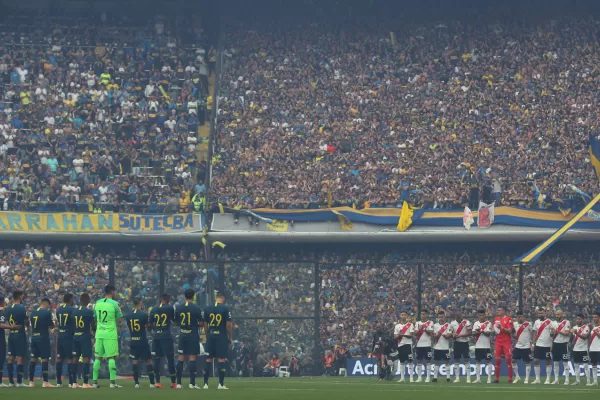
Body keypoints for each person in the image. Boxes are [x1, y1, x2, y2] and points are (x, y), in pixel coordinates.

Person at [93, 284, 124, 388]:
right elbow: (120, 320)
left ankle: (94, 383)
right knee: (111, 357)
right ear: (112, 292)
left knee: (98, 358)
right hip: (110, 334)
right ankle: (112, 383)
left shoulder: (97, 303)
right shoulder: (115, 304)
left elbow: (95, 318)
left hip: (99, 333)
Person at [203, 292, 232, 390]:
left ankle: (205, 384)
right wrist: (230, 337)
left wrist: (207, 335)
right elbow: (228, 325)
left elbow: (205, 324)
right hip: (221, 336)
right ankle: (221, 384)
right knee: (221, 359)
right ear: (223, 299)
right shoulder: (225, 308)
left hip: (211, 336)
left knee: (208, 359)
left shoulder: (207, 308)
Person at [174, 289, 203, 389]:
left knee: (181, 358)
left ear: (185, 296)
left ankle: (178, 383)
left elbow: (176, 322)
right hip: (192, 335)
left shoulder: (179, 307)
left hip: (183, 335)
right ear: (193, 296)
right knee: (192, 358)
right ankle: (192, 383)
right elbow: (201, 322)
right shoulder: (196, 308)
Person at [125, 298, 156, 388]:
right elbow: (149, 327)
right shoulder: (143, 314)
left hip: (133, 340)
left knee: (135, 361)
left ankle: (136, 383)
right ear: (140, 303)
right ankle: (152, 383)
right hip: (142, 340)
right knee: (148, 360)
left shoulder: (129, 315)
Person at [150, 293, 177, 388]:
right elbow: (174, 320)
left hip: (157, 336)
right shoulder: (170, 308)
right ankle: (173, 382)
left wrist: (155, 329)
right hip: (166, 336)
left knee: (156, 359)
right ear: (168, 299)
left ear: (160, 299)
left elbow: (150, 325)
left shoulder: (154, 309)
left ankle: (157, 382)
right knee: (170, 359)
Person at [28, 298, 55, 388]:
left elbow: (31, 326)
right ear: (46, 304)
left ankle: (31, 382)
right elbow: (51, 325)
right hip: (43, 338)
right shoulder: (46, 312)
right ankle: (45, 382)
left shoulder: (33, 313)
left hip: (34, 337)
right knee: (44, 359)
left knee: (33, 359)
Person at [72, 293, 95, 388]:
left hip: (75, 336)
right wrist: (93, 332)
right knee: (86, 358)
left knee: (75, 359)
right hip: (85, 336)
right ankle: (85, 382)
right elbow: (93, 326)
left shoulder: (74, 311)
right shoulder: (88, 312)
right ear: (87, 300)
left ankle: (74, 382)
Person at [6, 290, 28, 387]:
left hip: (11, 334)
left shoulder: (8, 308)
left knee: (10, 357)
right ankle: (19, 382)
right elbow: (26, 321)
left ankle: (11, 382)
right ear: (20, 297)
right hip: (19, 334)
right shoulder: (22, 308)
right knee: (20, 357)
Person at [55, 293, 76, 387]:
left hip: (60, 335)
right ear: (70, 299)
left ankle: (58, 381)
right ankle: (71, 382)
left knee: (60, 358)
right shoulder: (71, 309)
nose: (74, 300)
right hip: (68, 335)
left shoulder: (58, 309)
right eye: (73, 299)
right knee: (70, 358)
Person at [493, 306, 514, 383]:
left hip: (506, 342)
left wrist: (501, 328)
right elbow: (494, 330)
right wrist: (494, 329)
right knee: (497, 360)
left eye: (499, 310)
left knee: (508, 360)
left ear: (503, 311)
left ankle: (510, 379)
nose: (498, 311)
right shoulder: (496, 319)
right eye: (497, 310)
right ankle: (496, 379)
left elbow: (510, 331)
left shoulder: (508, 319)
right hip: (498, 342)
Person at [450, 310, 472, 383]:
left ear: (461, 314)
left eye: (460, 314)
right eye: (457, 314)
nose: (458, 316)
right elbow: (450, 333)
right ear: (455, 315)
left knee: (466, 359)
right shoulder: (452, 323)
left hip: (465, 343)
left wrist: (459, 335)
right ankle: (457, 378)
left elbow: (470, 333)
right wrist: (453, 335)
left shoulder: (467, 322)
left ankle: (468, 378)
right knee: (456, 360)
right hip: (457, 343)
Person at [532, 308, 553, 384]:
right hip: (538, 344)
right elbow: (534, 333)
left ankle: (548, 379)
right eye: (539, 313)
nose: (541, 314)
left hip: (547, 345)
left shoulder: (549, 322)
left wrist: (551, 344)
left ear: (545, 313)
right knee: (536, 360)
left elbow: (553, 333)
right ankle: (537, 379)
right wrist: (533, 343)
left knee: (547, 361)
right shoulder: (536, 322)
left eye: (542, 313)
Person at [551, 309, 571, 385]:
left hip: (563, 344)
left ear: (562, 315)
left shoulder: (566, 322)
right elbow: (552, 335)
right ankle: (556, 380)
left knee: (565, 362)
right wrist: (552, 333)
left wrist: (557, 331)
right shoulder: (553, 323)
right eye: (556, 314)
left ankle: (567, 380)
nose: (557, 316)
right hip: (555, 344)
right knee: (555, 362)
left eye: (558, 314)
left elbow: (567, 333)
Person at [393, 310, 414, 383]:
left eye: (404, 315)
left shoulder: (410, 325)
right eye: (402, 315)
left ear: (407, 316)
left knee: (410, 361)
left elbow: (411, 335)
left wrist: (403, 335)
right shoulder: (397, 326)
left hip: (408, 345)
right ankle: (402, 378)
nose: (403, 316)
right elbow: (395, 336)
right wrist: (399, 335)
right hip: (400, 345)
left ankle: (411, 378)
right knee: (402, 362)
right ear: (400, 316)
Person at [512, 312, 533, 384]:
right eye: (519, 317)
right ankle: (517, 377)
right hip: (518, 346)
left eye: (521, 317)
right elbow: (512, 332)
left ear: (524, 317)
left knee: (527, 362)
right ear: (517, 317)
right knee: (513, 361)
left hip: (526, 346)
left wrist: (532, 344)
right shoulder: (514, 324)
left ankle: (527, 379)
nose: (520, 318)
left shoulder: (528, 324)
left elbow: (532, 333)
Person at [472, 309, 492, 384]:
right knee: (477, 362)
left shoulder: (488, 323)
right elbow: (473, 334)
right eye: (480, 315)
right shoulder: (475, 323)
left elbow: (488, 333)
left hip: (486, 346)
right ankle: (478, 379)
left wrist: (481, 330)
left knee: (489, 361)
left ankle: (489, 379)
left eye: (483, 315)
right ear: (478, 315)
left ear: (485, 315)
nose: (481, 317)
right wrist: (478, 331)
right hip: (478, 346)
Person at [432, 310, 453, 383]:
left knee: (447, 362)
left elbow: (449, 336)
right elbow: (434, 336)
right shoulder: (435, 325)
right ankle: (435, 377)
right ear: (437, 318)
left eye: (442, 317)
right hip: (437, 347)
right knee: (436, 362)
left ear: (445, 317)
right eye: (439, 317)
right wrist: (437, 335)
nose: (441, 318)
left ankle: (448, 377)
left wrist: (443, 334)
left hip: (445, 347)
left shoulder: (448, 325)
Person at [570, 313, 591, 386]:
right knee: (576, 365)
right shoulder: (574, 327)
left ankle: (588, 381)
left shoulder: (586, 327)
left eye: (579, 319)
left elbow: (585, 337)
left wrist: (576, 333)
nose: (578, 320)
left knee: (586, 365)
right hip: (576, 349)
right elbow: (573, 338)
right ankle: (577, 381)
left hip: (584, 349)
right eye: (577, 319)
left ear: (583, 319)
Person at [414, 310, 434, 383]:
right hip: (419, 344)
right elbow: (415, 334)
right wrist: (419, 329)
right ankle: (419, 377)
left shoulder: (430, 322)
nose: (422, 315)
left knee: (428, 361)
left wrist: (424, 329)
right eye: (421, 314)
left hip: (427, 344)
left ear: (427, 315)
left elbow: (431, 333)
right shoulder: (417, 323)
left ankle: (428, 377)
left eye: (424, 314)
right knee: (419, 361)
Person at [588, 312, 600, 386]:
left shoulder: (594, 328)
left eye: (595, 317)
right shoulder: (593, 327)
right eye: (593, 317)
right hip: (593, 349)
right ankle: (595, 381)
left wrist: (593, 329)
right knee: (593, 365)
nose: (594, 318)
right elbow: (590, 338)